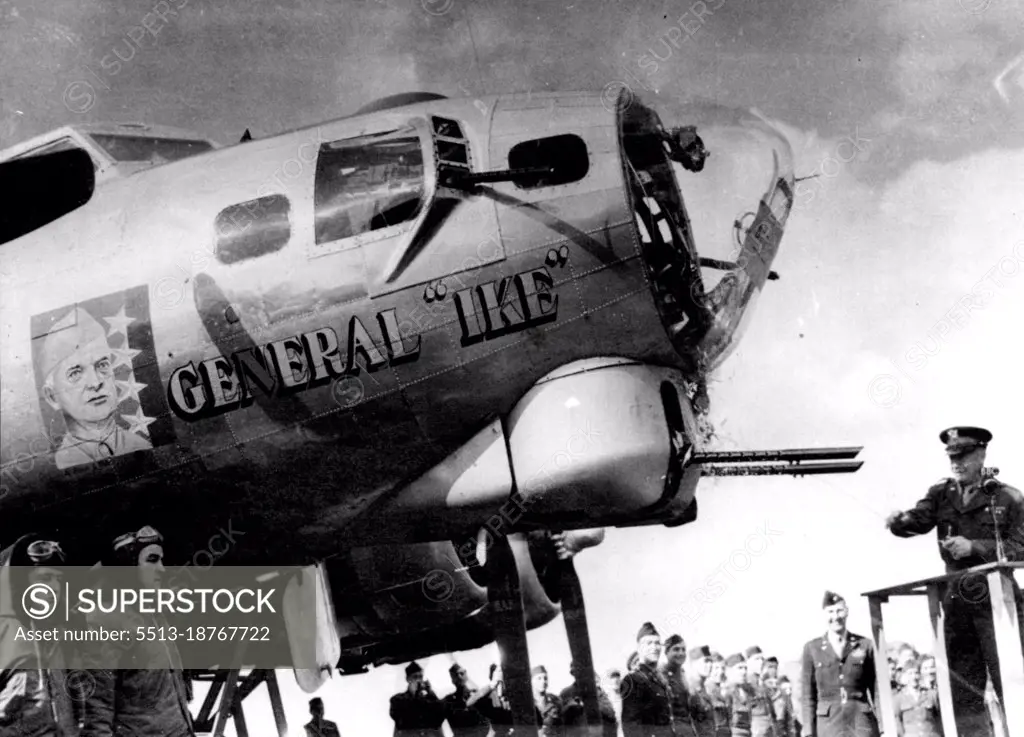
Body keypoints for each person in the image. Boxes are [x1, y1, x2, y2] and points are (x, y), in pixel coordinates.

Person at [886, 426, 1024, 737]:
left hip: (999, 606)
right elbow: (917, 520)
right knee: (964, 691)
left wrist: (975, 547)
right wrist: (899, 522)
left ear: (982, 454)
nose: (956, 464)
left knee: (1014, 684)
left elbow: (1022, 547)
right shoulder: (941, 495)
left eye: (963, 457)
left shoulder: (1007, 497)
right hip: (957, 603)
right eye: (952, 459)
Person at [79, 526, 194, 737]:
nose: (162, 569)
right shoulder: (105, 620)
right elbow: (97, 710)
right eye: (152, 560)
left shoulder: (154, 615)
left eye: (161, 560)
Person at [37, 305, 152, 469]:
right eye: (75, 373)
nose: (95, 382)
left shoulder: (141, 445)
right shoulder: (62, 463)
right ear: (52, 396)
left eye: (102, 365)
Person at [0, 534, 80, 737]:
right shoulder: (5, 631)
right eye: (44, 578)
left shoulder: (58, 635)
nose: (54, 587)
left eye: (58, 579)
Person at [799, 591, 880, 737]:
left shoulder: (865, 645)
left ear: (847, 612)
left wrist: (884, 728)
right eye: (830, 612)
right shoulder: (812, 648)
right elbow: (807, 695)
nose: (835, 617)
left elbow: (877, 690)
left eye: (839, 611)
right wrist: (808, 732)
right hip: (828, 726)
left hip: (860, 723)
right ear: (824, 614)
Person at [620, 622, 673, 737]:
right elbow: (631, 727)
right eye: (649, 643)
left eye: (657, 643)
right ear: (639, 648)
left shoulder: (659, 681)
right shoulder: (633, 680)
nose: (654, 647)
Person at [559, 661, 618, 737]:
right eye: (576, 671)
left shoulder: (597, 691)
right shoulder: (566, 693)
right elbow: (559, 720)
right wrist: (569, 707)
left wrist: (589, 704)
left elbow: (611, 713)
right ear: (573, 673)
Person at [389, 662, 445, 737]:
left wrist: (431, 693)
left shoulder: (429, 699)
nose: (418, 680)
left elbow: (441, 715)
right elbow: (397, 715)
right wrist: (413, 695)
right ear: (408, 679)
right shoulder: (398, 699)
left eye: (421, 677)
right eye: (415, 677)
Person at [659, 634, 695, 737]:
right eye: (676, 649)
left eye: (683, 650)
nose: (681, 653)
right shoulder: (660, 674)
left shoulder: (684, 675)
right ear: (666, 652)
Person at [893, 660, 941, 737]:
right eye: (910, 673)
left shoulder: (931, 694)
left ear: (920, 675)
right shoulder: (898, 698)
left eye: (916, 673)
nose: (914, 677)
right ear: (905, 676)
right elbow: (897, 722)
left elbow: (938, 718)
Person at [441, 663, 489, 737]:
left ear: (466, 674)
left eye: (462, 673)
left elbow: (486, 722)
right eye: (455, 675)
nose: (459, 676)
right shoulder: (448, 700)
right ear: (451, 678)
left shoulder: (476, 693)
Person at [743, 646, 776, 737]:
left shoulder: (763, 684)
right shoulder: (745, 685)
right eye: (756, 659)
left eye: (762, 659)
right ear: (747, 661)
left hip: (769, 731)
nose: (761, 662)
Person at [685, 645, 718, 737]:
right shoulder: (688, 689)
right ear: (693, 663)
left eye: (711, 661)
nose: (710, 665)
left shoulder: (704, 689)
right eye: (706, 661)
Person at [721, 654, 752, 737]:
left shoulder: (745, 691)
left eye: (745, 668)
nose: (744, 672)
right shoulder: (725, 692)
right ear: (729, 670)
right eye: (740, 668)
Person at [531, 665, 563, 737]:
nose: (543, 681)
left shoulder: (555, 700)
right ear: (531, 681)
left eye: (545, 678)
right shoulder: (527, 703)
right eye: (539, 678)